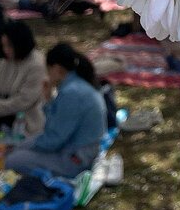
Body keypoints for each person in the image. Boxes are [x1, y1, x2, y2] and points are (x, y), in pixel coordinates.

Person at [6, 43, 107, 178]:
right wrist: (48, 100)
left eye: (48, 70)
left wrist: (28, 148)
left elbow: (54, 140)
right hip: (74, 146)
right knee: (21, 146)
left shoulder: (72, 93)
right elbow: (55, 125)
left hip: (76, 158)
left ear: (57, 69)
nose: (46, 74)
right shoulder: (74, 85)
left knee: (13, 159)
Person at [0, 21, 46, 136]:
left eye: (9, 46)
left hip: (25, 121)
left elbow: (22, 102)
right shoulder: (6, 61)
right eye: (3, 45)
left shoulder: (37, 65)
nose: (5, 50)